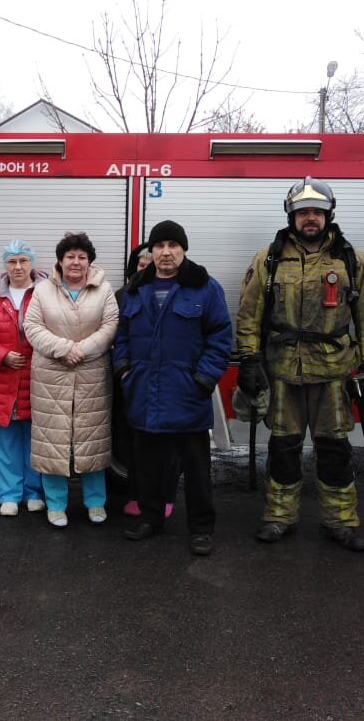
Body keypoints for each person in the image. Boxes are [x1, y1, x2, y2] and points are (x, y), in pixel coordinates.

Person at [235, 177, 364, 552]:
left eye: (317, 211)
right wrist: (249, 359)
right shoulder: (268, 259)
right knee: (283, 448)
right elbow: (249, 315)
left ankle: (341, 521)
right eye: (303, 212)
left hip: (333, 371)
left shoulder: (350, 258)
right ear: (292, 216)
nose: (310, 218)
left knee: (334, 451)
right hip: (283, 368)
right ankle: (279, 517)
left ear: (328, 214)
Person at [114, 221, 233, 556]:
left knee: (196, 469)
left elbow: (221, 338)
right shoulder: (136, 288)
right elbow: (121, 337)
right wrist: (124, 371)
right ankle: (151, 519)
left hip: (187, 396)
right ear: (151, 251)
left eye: (173, 245)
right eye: (159, 246)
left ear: (183, 249)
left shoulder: (205, 288)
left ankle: (201, 528)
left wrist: (204, 379)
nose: (166, 252)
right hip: (145, 395)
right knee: (148, 466)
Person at [24, 232, 118, 528]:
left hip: (92, 374)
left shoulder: (104, 289)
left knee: (93, 440)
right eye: (70, 257)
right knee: (53, 440)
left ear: (89, 261)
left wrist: (84, 350)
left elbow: (111, 324)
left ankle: (95, 503)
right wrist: (65, 349)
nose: (76, 262)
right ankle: (56, 505)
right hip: (51, 375)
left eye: (82, 257)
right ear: (60, 261)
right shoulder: (42, 290)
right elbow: (32, 326)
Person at [0, 240, 47, 516]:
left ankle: (33, 492)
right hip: (2, 379)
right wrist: (1, 355)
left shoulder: (45, 293)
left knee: (34, 442)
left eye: (23, 261)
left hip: (36, 378)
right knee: (5, 443)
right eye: (12, 261)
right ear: (5, 264)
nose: (18, 267)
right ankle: (9, 495)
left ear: (31, 263)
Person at [113, 245, 174, 519]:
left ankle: (167, 496)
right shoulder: (122, 296)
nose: (147, 268)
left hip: (167, 381)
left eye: (151, 263)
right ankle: (137, 496)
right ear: (132, 268)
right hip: (133, 382)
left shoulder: (177, 292)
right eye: (140, 264)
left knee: (168, 442)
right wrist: (124, 371)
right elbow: (117, 337)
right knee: (133, 442)